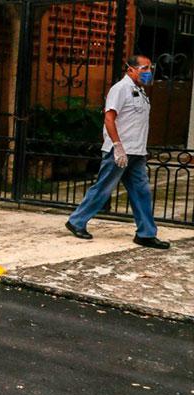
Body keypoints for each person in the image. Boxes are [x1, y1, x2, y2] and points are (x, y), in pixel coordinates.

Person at [66, 54, 170, 249]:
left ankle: (146, 233)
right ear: (130, 69)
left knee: (142, 192)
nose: (148, 73)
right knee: (103, 188)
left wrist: (141, 149)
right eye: (144, 69)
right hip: (119, 151)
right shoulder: (120, 89)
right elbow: (109, 118)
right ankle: (77, 221)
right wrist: (117, 146)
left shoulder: (140, 91)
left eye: (150, 68)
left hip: (136, 152)